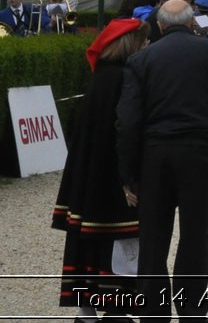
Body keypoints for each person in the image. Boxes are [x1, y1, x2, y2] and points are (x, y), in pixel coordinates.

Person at [117, 0, 208, 322]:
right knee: (194, 233)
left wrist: (128, 173)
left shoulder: (141, 59)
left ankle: (153, 308)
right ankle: (192, 308)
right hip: (199, 153)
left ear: (159, 25)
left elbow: (128, 120)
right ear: (192, 23)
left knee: (153, 237)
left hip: (155, 155)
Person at [52, 17, 146, 320]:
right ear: (130, 44)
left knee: (87, 241)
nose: (146, 46)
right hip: (111, 178)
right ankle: (117, 310)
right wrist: (128, 179)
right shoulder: (122, 77)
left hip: (92, 175)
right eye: (142, 41)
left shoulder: (102, 76)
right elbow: (123, 131)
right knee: (116, 242)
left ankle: (87, 309)